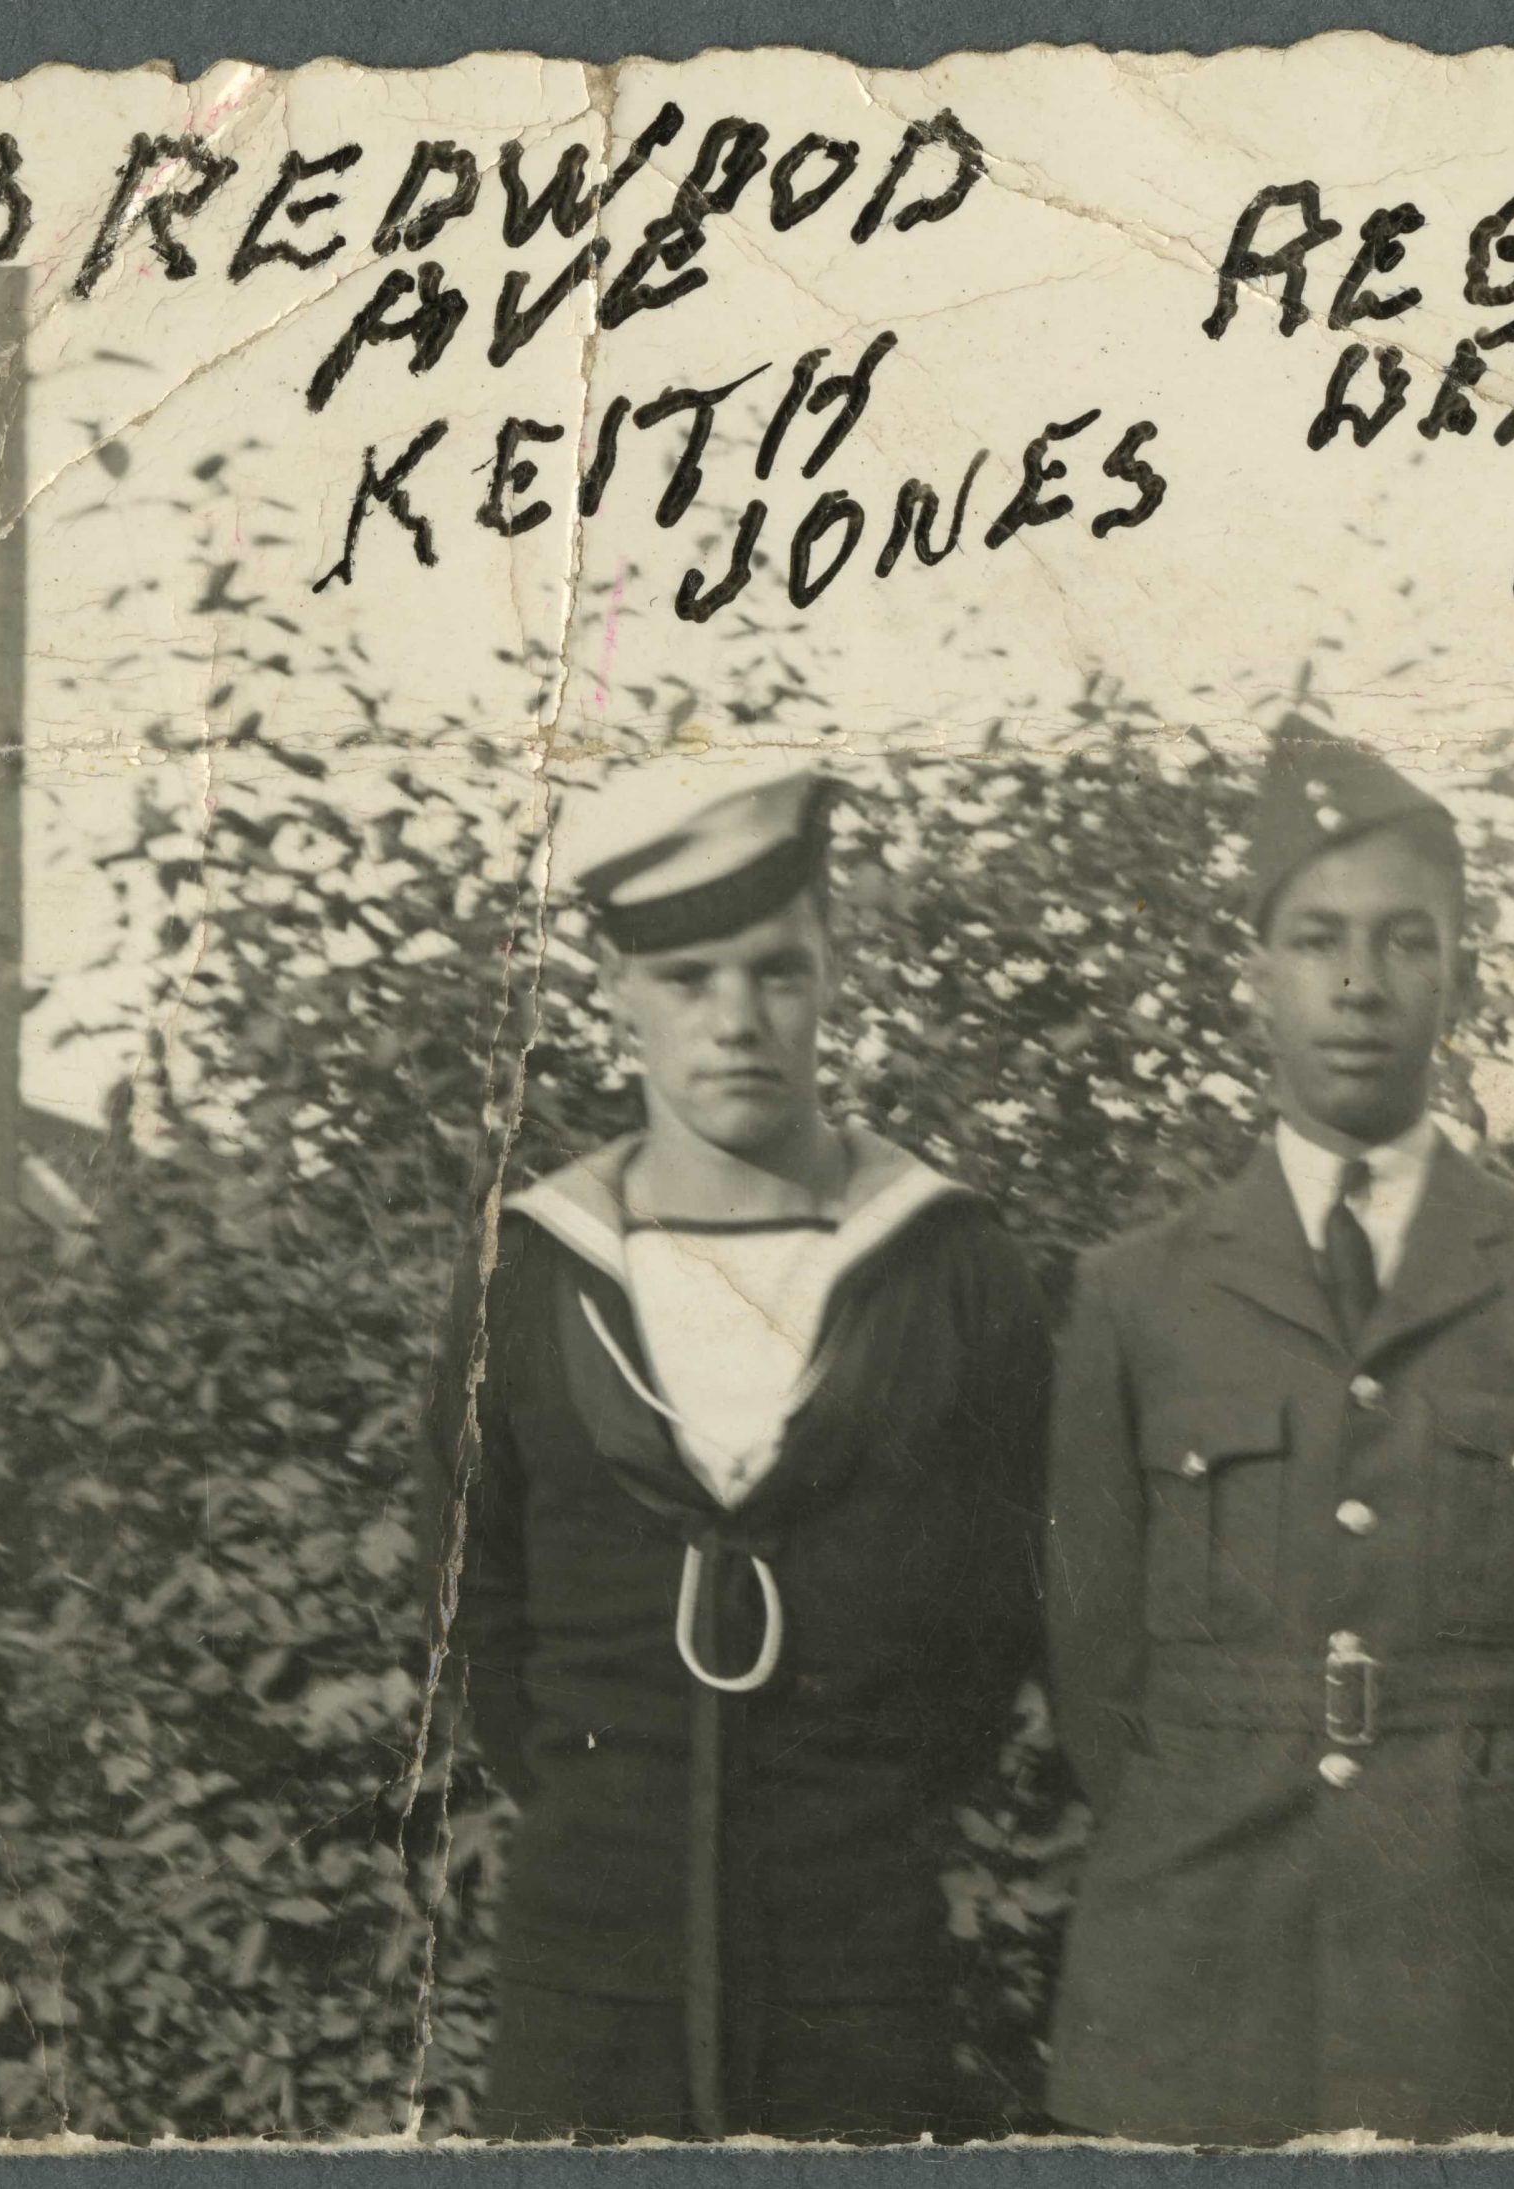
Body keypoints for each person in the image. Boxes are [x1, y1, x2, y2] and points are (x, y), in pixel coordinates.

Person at [1044, 724, 1514, 2145]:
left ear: (1457, 976)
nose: (1359, 981)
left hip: (1477, 1973)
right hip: (1192, 1967)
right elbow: (1093, 1665)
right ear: (1255, 977)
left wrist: (1501, 1816)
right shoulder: (1136, 1296)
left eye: (1403, 940)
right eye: (1316, 939)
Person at [422, 755, 1049, 2143]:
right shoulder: (530, 1271)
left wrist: (844, 1808)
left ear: (832, 969)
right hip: (593, 1971)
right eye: (689, 977)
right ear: (615, 990)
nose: (736, 1020)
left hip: (856, 1962)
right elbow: (479, 1611)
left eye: (776, 971)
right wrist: (615, 1802)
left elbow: (990, 1618)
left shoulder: (949, 1262)